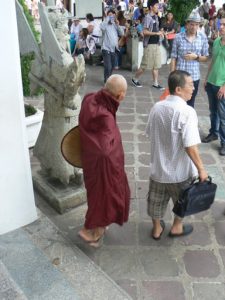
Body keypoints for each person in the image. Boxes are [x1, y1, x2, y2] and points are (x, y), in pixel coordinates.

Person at [145, 70, 208, 240]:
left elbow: (150, 133)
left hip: (158, 169)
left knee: (155, 202)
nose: (193, 88)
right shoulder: (187, 112)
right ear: (178, 89)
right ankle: (176, 227)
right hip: (180, 173)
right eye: (190, 85)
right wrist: (201, 169)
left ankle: (157, 229)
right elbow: (190, 146)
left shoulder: (156, 107)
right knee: (182, 202)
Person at [78, 74, 130, 247]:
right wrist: (116, 164)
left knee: (96, 197)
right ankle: (91, 232)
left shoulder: (89, 98)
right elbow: (106, 151)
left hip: (88, 158)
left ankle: (94, 229)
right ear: (120, 95)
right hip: (102, 166)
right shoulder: (106, 118)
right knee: (105, 197)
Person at [171, 11, 209, 107]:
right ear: (187, 24)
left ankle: (188, 121)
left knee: (190, 103)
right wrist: (172, 75)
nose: (194, 27)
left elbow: (206, 58)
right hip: (179, 77)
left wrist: (196, 57)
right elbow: (173, 57)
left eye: (197, 25)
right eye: (192, 24)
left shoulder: (203, 38)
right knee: (177, 103)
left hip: (194, 77)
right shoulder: (178, 37)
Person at [202, 18, 225, 156]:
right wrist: (206, 78)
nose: (221, 27)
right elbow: (212, 61)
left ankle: (224, 142)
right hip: (211, 82)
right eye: (220, 24)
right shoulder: (216, 41)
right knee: (213, 111)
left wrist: (224, 86)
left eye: (224, 25)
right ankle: (213, 133)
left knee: (223, 116)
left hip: (222, 85)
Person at [132, 0, 165, 90]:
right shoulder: (147, 17)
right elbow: (144, 31)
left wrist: (161, 32)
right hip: (149, 45)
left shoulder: (156, 17)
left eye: (158, 5)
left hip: (157, 44)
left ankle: (155, 83)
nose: (158, 7)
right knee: (144, 65)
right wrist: (156, 33)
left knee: (156, 65)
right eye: (156, 5)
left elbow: (157, 29)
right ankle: (135, 79)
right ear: (151, 7)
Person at [100, 9, 124, 83]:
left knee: (112, 66)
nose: (111, 17)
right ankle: (107, 81)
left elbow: (122, 33)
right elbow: (102, 27)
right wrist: (107, 19)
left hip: (114, 49)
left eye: (112, 15)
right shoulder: (105, 24)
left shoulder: (115, 24)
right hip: (105, 48)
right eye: (109, 15)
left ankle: (107, 79)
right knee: (108, 66)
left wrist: (117, 24)